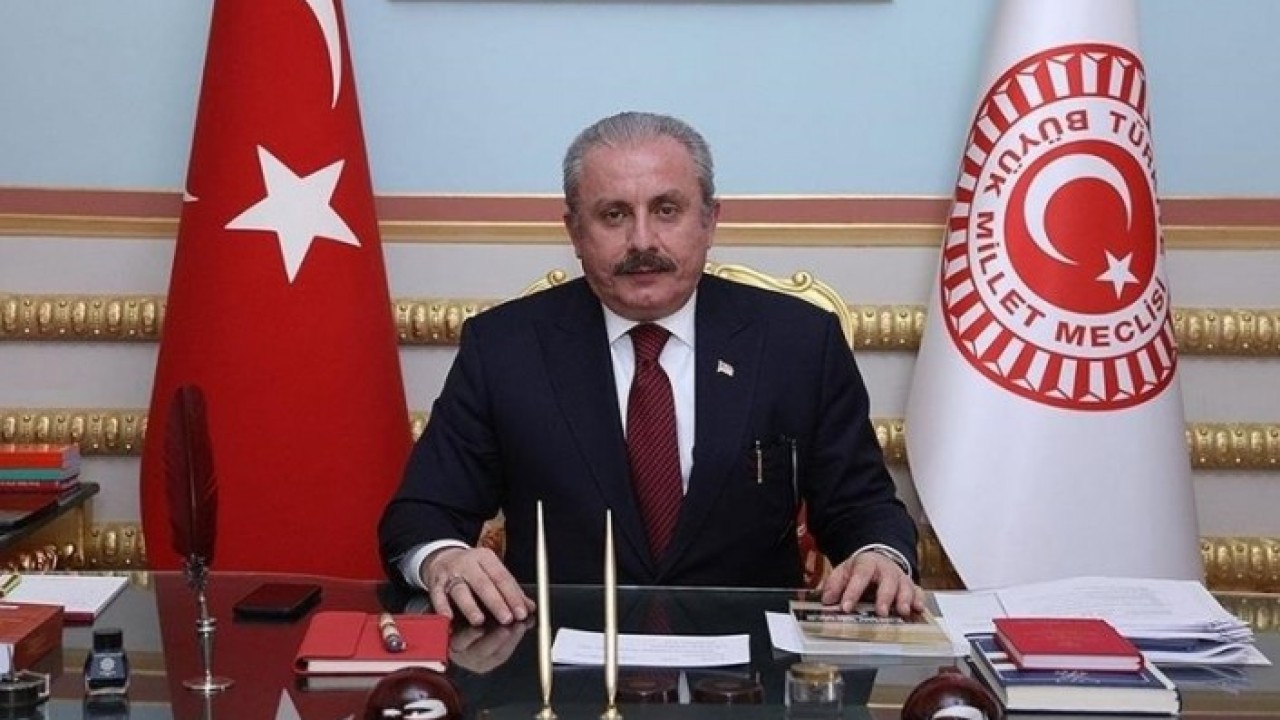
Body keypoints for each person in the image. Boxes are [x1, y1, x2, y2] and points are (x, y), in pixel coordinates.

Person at [379, 111, 924, 626]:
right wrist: (444, 558)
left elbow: (862, 505)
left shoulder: (798, 342)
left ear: (709, 221)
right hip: (557, 658)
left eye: (666, 210)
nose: (642, 241)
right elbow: (423, 513)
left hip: (752, 663)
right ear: (574, 232)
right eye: (613, 215)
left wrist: (878, 555)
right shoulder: (505, 348)